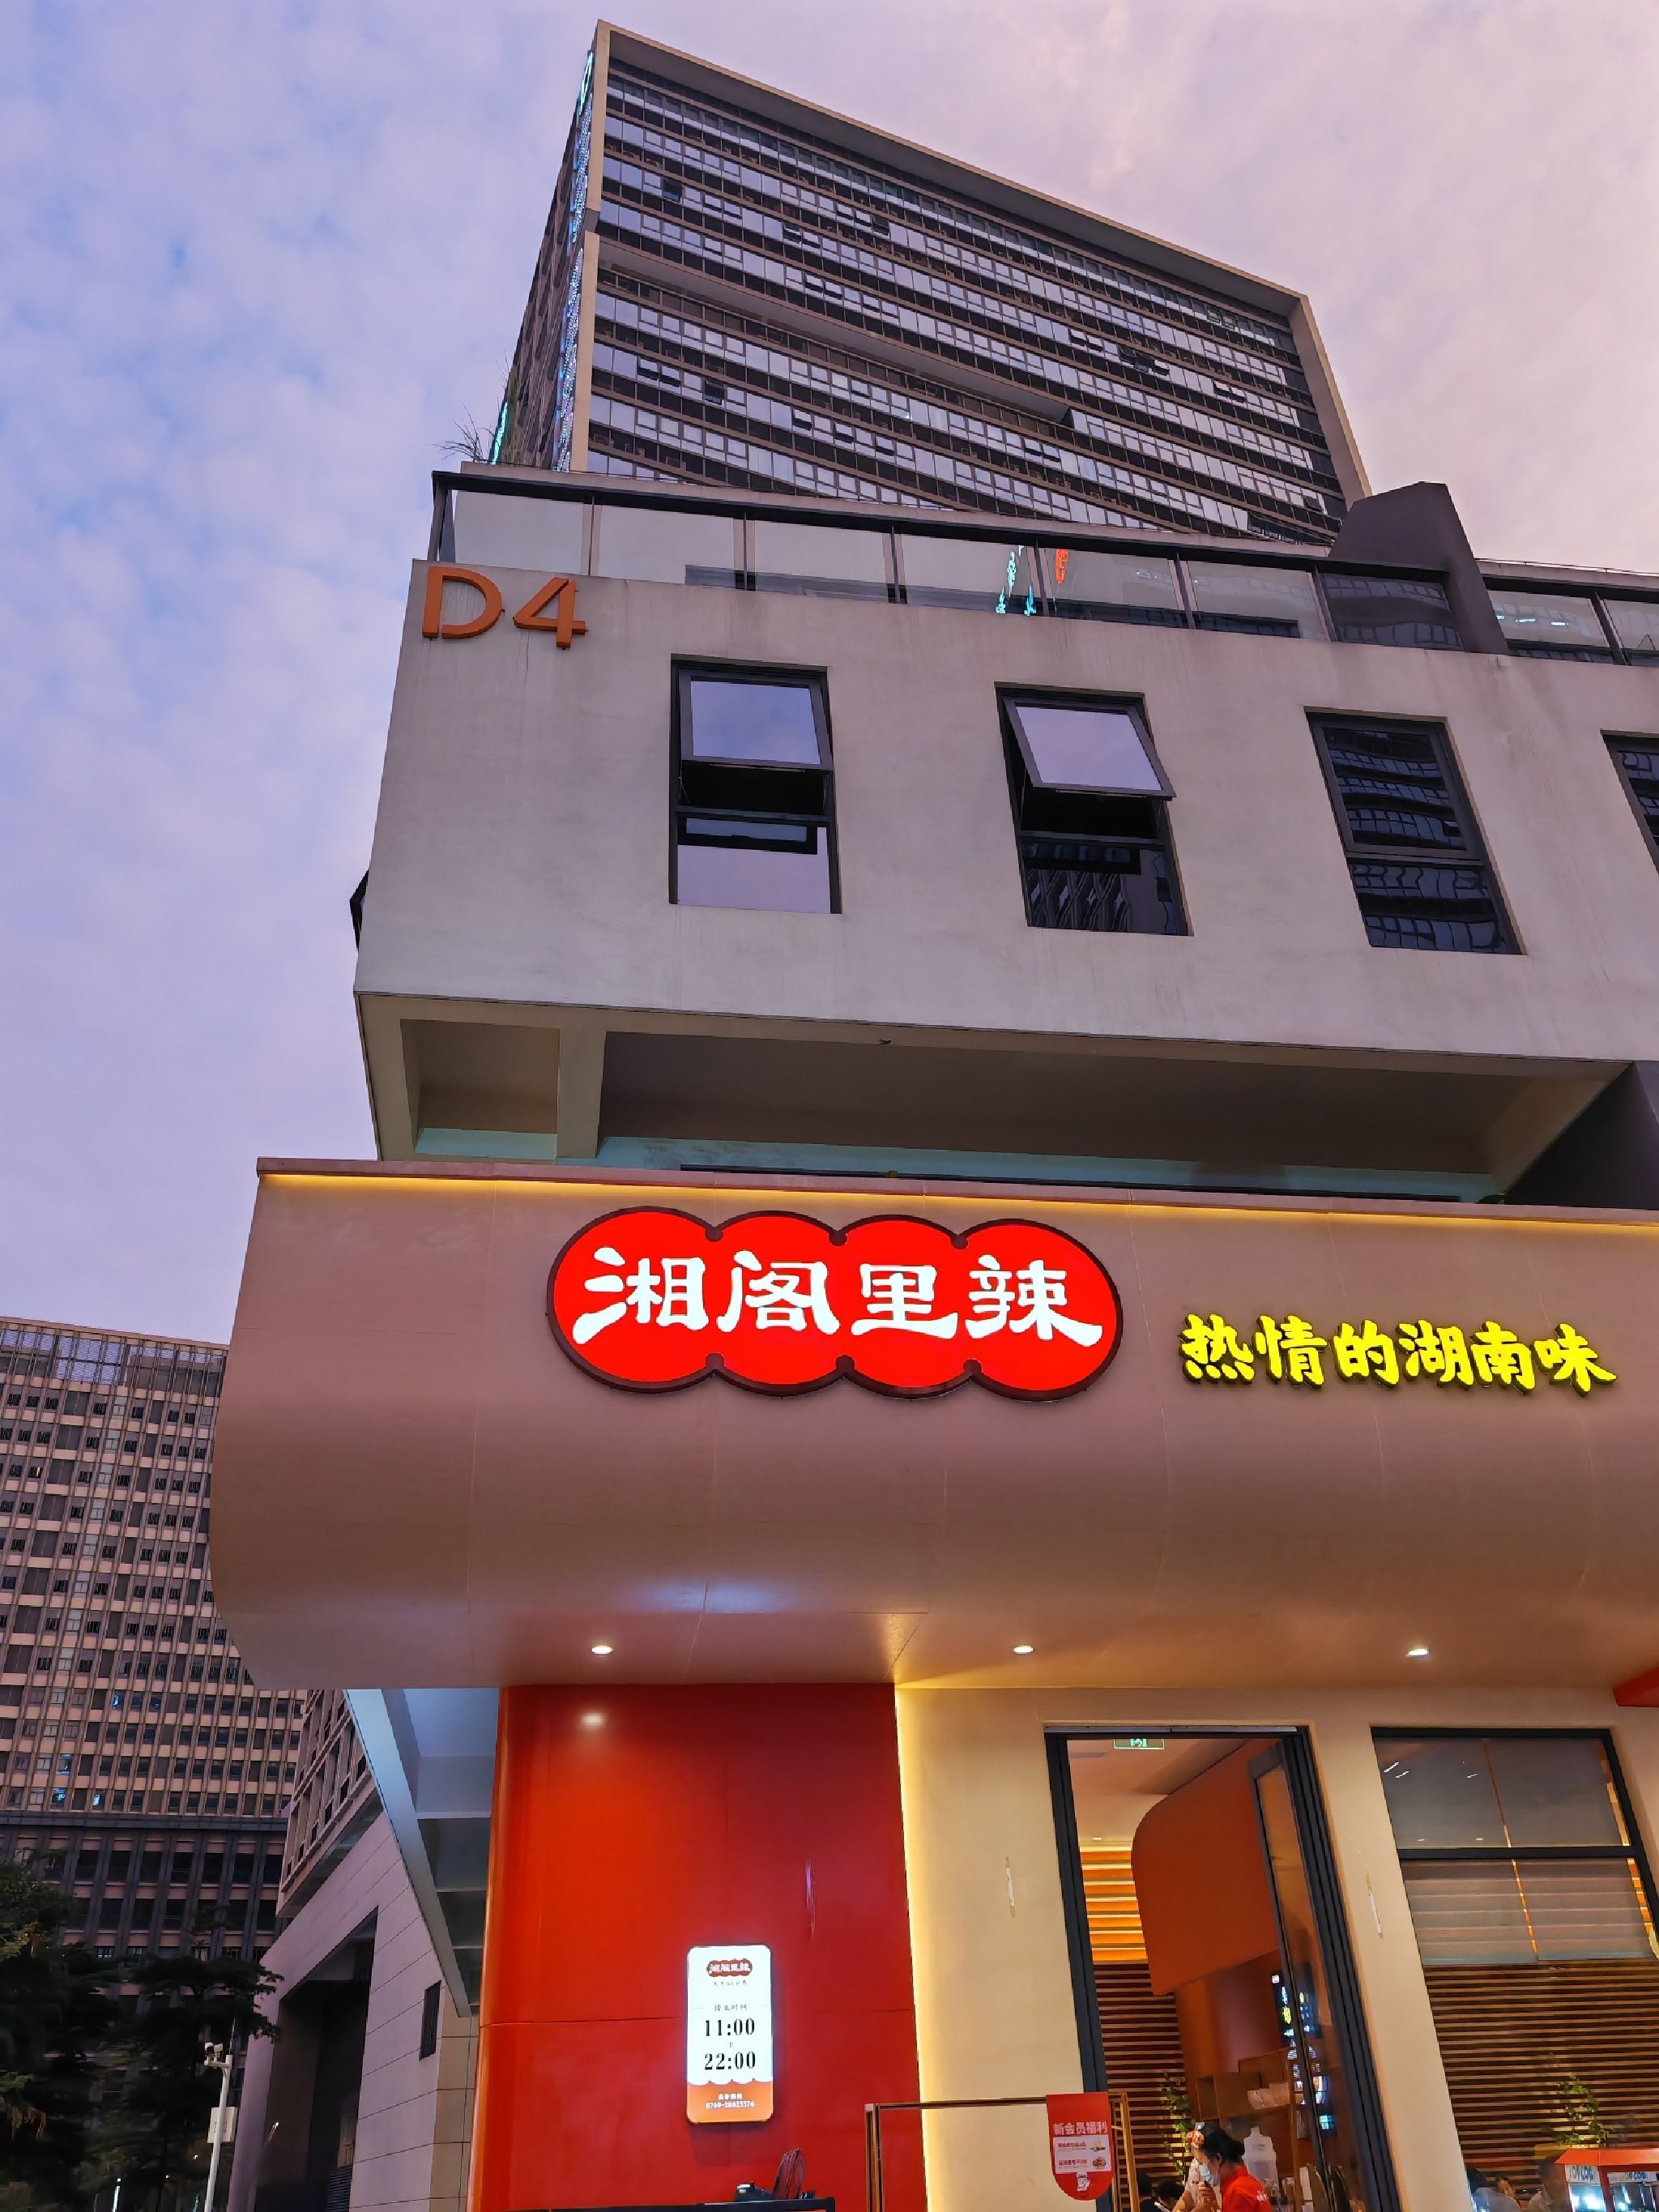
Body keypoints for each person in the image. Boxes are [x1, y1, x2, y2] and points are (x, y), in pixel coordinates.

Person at [1196, 2124, 1271, 2212]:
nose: (1202, 2169)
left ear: (1218, 2158)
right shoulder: (1250, 2183)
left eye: (1203, 2163)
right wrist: (1214, 2206)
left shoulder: (1236, 2191)